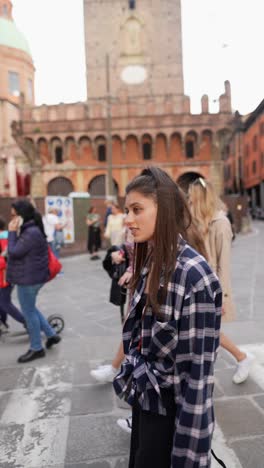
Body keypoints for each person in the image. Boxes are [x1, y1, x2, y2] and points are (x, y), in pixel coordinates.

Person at [113, 167, 222, 468]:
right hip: (146, 406)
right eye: (127, 210)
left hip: (170, 418)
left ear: (165, 210)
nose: (128, 219)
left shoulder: (194, 276)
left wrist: (189, 457)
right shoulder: (151, 259)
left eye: (137, 210)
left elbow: (197, 382)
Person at [188, 177, 253, 384]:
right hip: (196, 285)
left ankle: (242, 358)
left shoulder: (221, 224)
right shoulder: (198, 222)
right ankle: (234, 361)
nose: (189, 202)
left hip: (211, 288)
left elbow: (223, 266)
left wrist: (222, 297)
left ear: (200, 199)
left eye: (191, 198)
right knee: (203, 331)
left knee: (207, 331)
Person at [7, 200, 61, 363]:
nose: (12, 219)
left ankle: (36, 348)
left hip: (29, 279)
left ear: (21, 215)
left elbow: (14, 252)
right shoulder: (31, 230)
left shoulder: (30, 233)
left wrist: (11, 232)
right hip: (31, 276)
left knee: (28, 312)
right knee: (31, 308)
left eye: (14, 215)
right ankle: (51, 334)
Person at [0, 217, 26, 331]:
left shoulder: (4, 239)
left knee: (5, 302)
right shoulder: (8, 236)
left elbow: (6, 259)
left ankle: (27, 321)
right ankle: (3, 322)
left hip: (5, 277)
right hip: (5, 275)